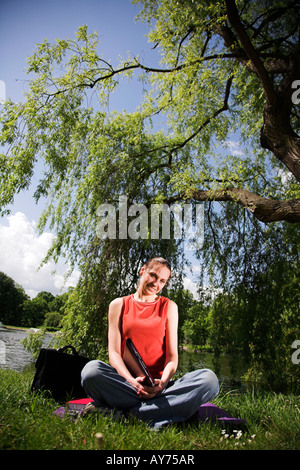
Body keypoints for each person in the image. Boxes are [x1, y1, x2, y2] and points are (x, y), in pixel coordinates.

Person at [81, 256, 219, 429]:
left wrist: (161, 384)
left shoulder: (169, 307)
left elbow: (172, 357)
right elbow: (114, 354)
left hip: (161, 387)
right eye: (153, 275)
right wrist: (132, 382)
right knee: (91, 371)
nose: (156, 283)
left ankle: (127, 415)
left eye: (162, 280)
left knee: (209, 380)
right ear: (142, 271)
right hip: (127, 385)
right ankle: (165, 412)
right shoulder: (118, 304)